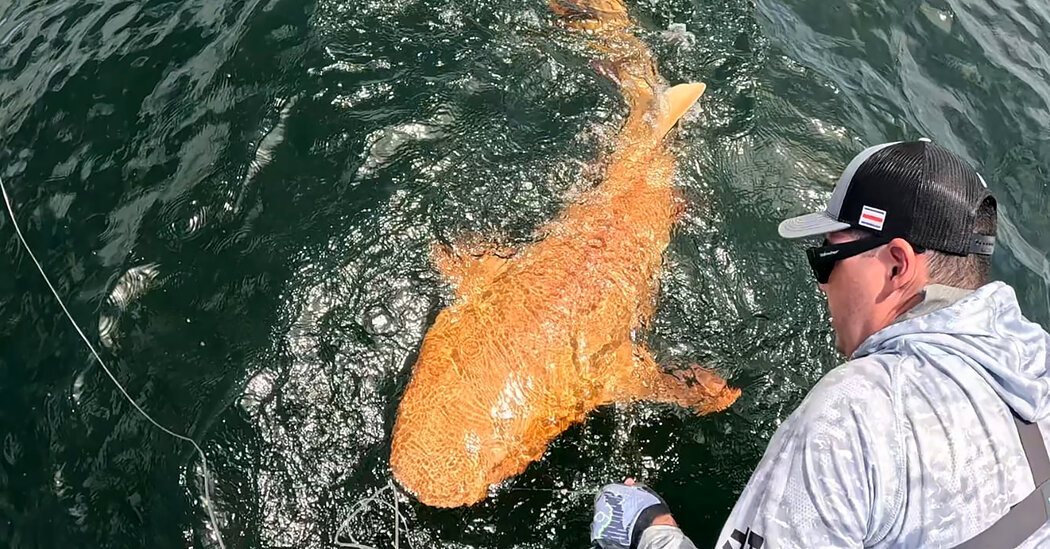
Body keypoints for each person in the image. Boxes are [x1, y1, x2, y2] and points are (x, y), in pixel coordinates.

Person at [588, 140, 1050, 548]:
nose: (822, 283)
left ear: (897, 266)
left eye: (827, 257)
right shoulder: (1039, 363)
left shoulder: (853, 413)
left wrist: (650, 531)